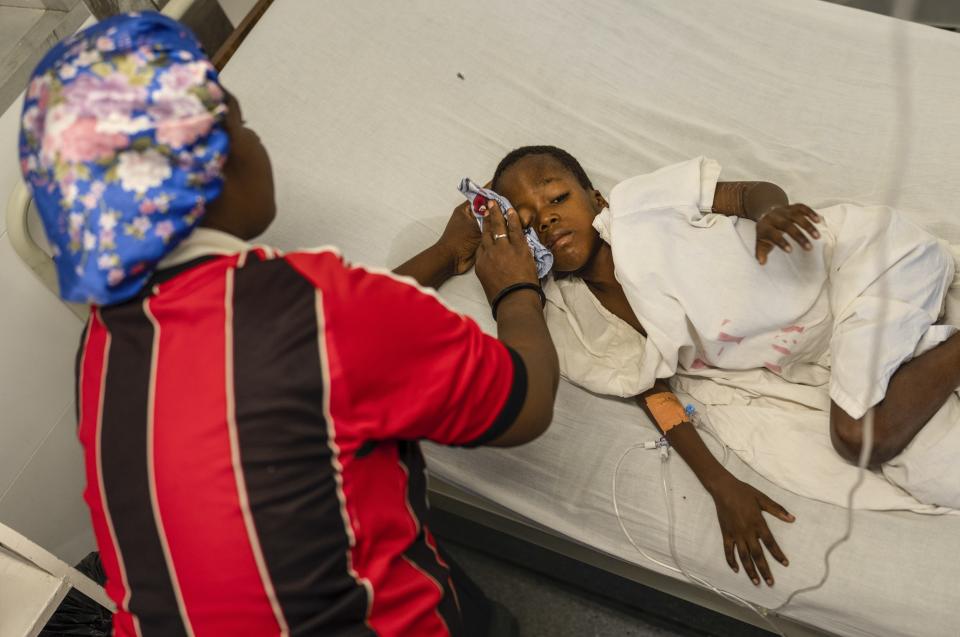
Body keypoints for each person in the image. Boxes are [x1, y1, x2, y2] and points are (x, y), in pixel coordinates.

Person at [19, 13, 557, 636]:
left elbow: (354, 339)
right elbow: (526, 404)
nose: (254, 141)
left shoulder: (100, 350)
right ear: (213, 163)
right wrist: (516, 287)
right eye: (242, 125)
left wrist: (443, 252)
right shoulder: (318, 305)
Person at [487, 145, 960, 588]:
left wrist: (770, 213)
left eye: (557, 197)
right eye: (527, 222)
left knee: (858, 437)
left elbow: (744, 192)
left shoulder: (639, 207)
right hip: (819, 357)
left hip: (855, 268)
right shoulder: (575, 317)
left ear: (596, 198)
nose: (546, 218)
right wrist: (721, 485)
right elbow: (653, 391)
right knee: (941, 474)